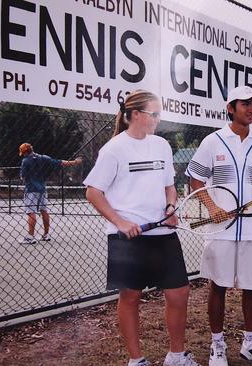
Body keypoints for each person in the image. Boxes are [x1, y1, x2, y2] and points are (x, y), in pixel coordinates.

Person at [83, 90, 199, 366]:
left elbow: (169, 187)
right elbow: (93, 192)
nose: (158, 119)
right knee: (130, 296)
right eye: (154, 114)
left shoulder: (161, 145)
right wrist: (121, 222)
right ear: (135, 115)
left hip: (163, 234)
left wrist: (171, 208)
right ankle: (137, 360)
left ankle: (176, 356)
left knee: (179, 292)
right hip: (127, 238)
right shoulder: (113, 149)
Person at [186, 85, 252, 366]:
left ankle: (251, 344)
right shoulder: (213, 141)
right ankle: (218, 346)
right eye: (245, 104)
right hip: (221, 231)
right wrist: (213, 207)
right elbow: (195, 179)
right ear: (230, 108)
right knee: (218, 286)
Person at [19, 142, 82, 244]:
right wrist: (74, 162)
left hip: (31, 189)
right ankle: (46, 234)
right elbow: (59, 162)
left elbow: (23, 177)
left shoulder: (25, 161)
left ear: (24, 152)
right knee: (44, 211)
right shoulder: (43, 158)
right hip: (42, 189)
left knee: (31, 212)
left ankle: (30, 237)